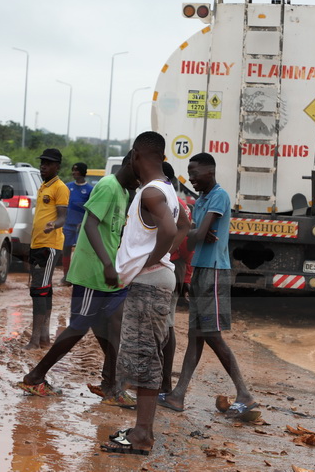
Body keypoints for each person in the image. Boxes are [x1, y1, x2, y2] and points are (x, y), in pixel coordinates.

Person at [18, 153, 139, 402]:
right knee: (79, 326)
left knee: (111, 326)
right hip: (93, 271)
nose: (141, 182)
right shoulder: (107, 186)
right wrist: (107, 263)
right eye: (140, 176)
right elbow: (90, 225)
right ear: (131, 164)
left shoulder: (126, 193)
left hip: (109, 273)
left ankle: (111, 384)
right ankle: (35, 376)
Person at [100, 131, 183, 456]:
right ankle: (141, 430)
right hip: (155, 282)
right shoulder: (168, 190)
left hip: (149, 284)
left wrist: (146, 264)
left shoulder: (150, 192)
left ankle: (142, 437)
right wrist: (160, 259)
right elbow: (185, 225)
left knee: (146, 359)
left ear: (136, 155)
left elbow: (171, 230)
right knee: (145, 356)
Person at [157, 152, 257, 417]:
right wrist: (194, 234)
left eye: (195, 174)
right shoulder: (201, 200)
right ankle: (178, 394)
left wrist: (193, 234)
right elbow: (195, 235)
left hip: (215, 271)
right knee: (195, 336)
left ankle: (244, 394)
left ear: (209, 173)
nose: (191, 179)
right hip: (200, 270)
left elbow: (196, 235)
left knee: (210, 334)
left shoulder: (219, 197)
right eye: (189, 174)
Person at [26, 148, 69, 350]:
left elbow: (62, 216)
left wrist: (54, 224)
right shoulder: (44, 186)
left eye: (48, 163)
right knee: (44, 289)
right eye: (42, 162)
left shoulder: (60, 188)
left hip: (49, 246)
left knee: (40, 291)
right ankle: (43, 337)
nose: (43, 166)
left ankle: (35, 340)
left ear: (57, 167)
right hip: (38, 244)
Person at [160, 161, 193, 394]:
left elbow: (187, 243)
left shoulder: (173, 205)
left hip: (169, 266)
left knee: (165, 325)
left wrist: (187, 278)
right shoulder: (178, 204)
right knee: (164, 324)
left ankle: (163, 382)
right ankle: (162, 381)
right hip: (172, 266)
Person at [62, 162, 94, 284]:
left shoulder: (90, 190)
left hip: (81, 225)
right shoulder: (67, 186)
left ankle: (78, 276)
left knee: (80, 251)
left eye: (76, 170)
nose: (73, 173)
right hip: (68, 224)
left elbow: (91, 208)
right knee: (66, 248)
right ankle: (66, 276)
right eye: (73, 170)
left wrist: (84, 222)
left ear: (82, 172)